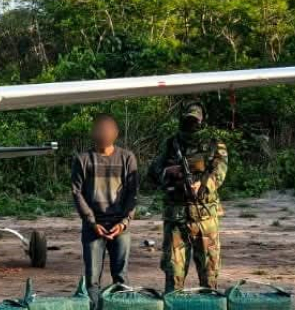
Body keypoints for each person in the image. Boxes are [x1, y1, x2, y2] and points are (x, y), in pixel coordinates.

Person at [148, 102, 228, 292]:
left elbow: (220, 171)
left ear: (202, 121)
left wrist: (203, 184)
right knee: (173, 272)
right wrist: (171, 174)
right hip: (177, 216)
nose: (192, 125)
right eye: (188, 121)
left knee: (209, 274)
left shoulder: (214, 144)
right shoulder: (171, 143)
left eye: (196, 121)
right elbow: (154, 172)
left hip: (205, 216)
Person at [71, 113, 138, 298]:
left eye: (108, 129)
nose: (104, 133)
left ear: (116, 132)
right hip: (93, 227)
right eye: (100, 129)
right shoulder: (83, 160)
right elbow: (77, 193)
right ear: (93, 133)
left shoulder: (127, 158)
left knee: (121, 277)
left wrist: (124, 222)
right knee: (92, 279)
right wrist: (92, 222)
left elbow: (133, 194)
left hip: (120, 227)